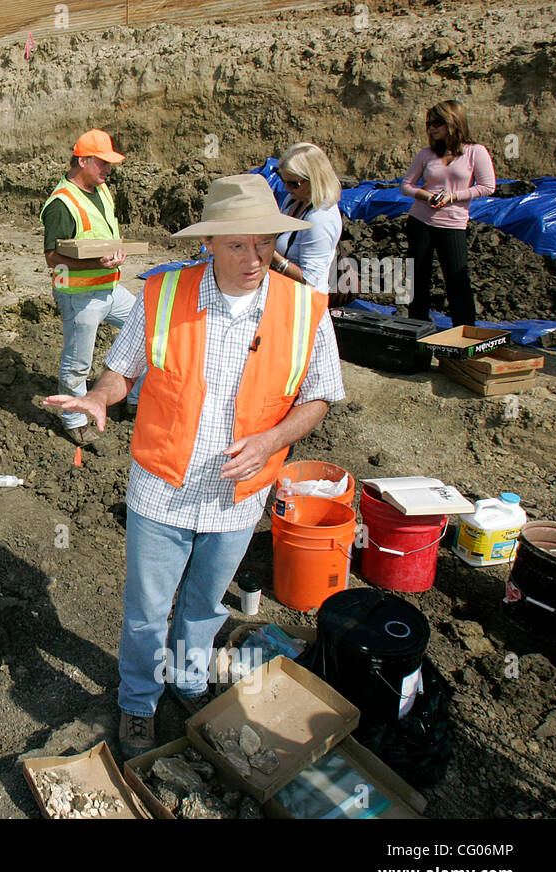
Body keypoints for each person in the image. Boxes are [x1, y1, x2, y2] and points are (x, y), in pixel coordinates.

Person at [44, 174, 346, 758]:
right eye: (238, 245)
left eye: (264, 242)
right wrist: (99, 398)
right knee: (146, 612)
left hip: (239, 497)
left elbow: (320, 395)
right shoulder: (164, 295)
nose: (255, 257)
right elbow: (122, 371)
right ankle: (136, 703)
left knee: (206, 606)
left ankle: (186, 682)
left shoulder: (306, 307)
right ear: (208, 243)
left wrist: (272, 440)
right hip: (162, 491)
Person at [40, 129, 137, 446]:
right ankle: (74, 419)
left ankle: (132, 398)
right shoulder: (61, 204)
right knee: (77, 363)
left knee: (147, 328)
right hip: (78, 294)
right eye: (102, 163)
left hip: (109, 287)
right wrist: (97, 264)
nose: (108, 170)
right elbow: (54, 260)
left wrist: (115, 255)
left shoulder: (103, 190)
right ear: (82, 160)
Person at [400, 99, 496, 326]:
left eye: (438, 123)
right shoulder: (426, 154)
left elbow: (488, 186)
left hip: (452, 223)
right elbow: (406, 185)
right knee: (418, 280)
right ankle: (417, 335)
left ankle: (464, 339)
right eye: (429, 123)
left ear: (454, 122)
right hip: (421, 220)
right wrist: (426, 195)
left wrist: (452, 196)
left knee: (457, 281)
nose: (432, 128)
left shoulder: (475, 152)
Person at [270, 142, 342, 295]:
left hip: (304, 305)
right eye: (284, 182)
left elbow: (309, 280)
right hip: (285, 295)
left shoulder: (320, 219)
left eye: (293, 184)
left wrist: (271, 254)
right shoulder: (294, 200)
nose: (287, 189)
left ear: (314, 179)